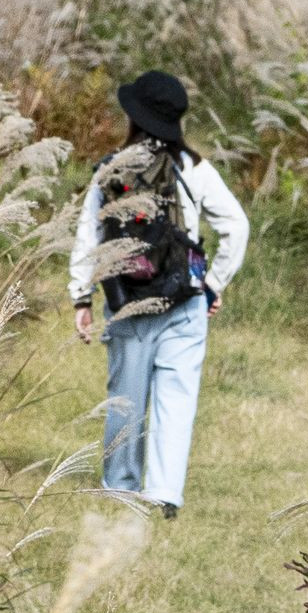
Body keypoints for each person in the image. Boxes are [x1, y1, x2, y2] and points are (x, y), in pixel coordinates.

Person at [69, 69, 249, 516]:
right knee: (177, 397)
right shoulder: (195, 168)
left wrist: (81, 297)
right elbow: (237, 226)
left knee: (125, 399)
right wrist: (213, 284)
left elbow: (89, 235)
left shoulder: (112, 169)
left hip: (128, 302)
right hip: (184, 300)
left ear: (135, 116)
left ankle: (119, 487)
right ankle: (164, 493)